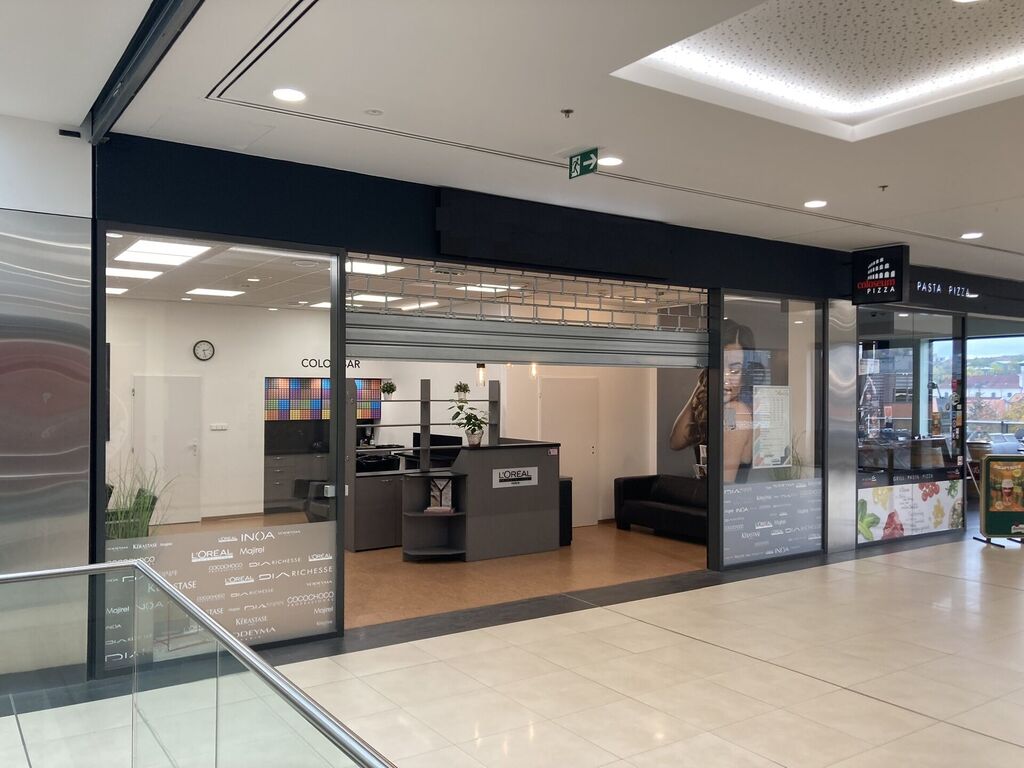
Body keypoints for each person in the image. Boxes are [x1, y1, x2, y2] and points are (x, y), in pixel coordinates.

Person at [670, 320, 754, 483]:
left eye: (734, 370)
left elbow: (724, 483)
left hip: (723, 499)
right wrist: (701, 384)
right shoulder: (722, 408)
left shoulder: (735, 411)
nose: (725, 377)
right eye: (720, 366)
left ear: (745, 373)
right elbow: (676, 442)